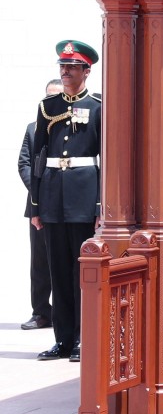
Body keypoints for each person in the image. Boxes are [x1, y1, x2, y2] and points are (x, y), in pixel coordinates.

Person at [31, 41, 102, 362]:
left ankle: (82, 339)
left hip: (84, 199)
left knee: (81, 273)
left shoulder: (99, 105)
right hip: (52, 199)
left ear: (87, 71)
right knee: (57, 271)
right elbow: (38, 157)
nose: (66, 72)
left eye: (73, 67)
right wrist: (35, 205)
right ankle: (62, 339)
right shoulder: (48, 106)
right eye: (63, 66)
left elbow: (107, 157)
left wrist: (102, 207)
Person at [18, 79, 62, 330]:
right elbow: (23, 163)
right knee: (39, 261)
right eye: (47, 97)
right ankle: (41, 312)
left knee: (65, 260)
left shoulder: (73, 128)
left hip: (65, 205)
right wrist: (38, 189)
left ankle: (66, 313)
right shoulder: (33, 128)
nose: (50, 102)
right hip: (38, 205)